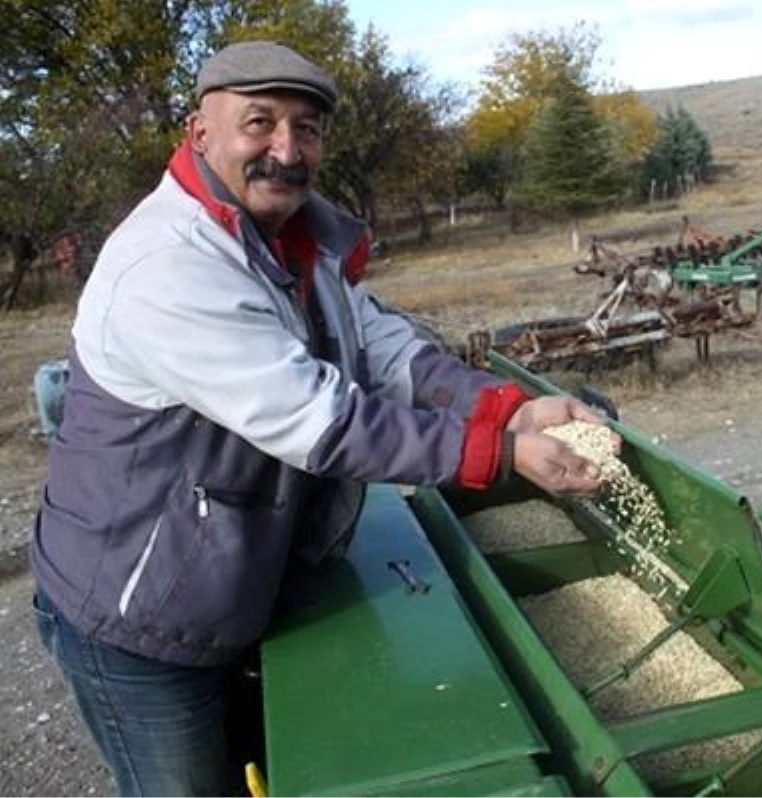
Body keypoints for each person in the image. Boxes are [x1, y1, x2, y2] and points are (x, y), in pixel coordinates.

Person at [30, 40, 611, 797]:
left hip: (227, 578)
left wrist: (509, 405)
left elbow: (381, 345)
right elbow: (322, 424)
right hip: (139, 615)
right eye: (259, 123)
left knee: (257, 767)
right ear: (200, 132)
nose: (286, 149)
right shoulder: (169, 265)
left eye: (306, 128)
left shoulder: (296, 240)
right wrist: (501, 453)